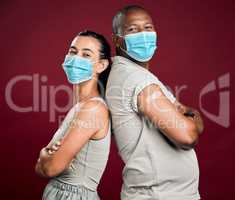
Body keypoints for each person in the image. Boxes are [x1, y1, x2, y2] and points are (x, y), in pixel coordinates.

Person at [106, 5, 204, 200]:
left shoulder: (133, 75)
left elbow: (188, 126)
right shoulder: (137, 80)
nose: (143, 35)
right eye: (132, 30)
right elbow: (188, 135)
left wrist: (189, 120)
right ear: (117, 39)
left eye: (148, 28)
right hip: (159, 195)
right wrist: (195, 117)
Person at [35, 30, 111, 200]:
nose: (76, 58)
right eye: (73, 51)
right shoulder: (80, 107)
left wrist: (43, 154)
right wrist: (46, 159)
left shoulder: (93, 109)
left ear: (101, 65)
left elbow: (49, 168)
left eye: (86, 55)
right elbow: (41, 169)